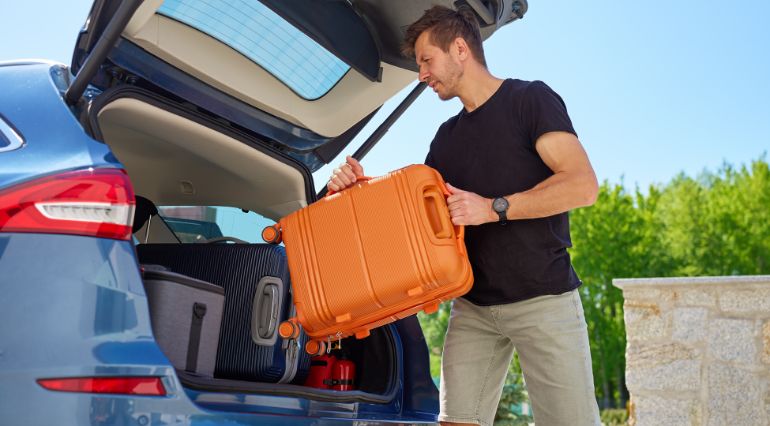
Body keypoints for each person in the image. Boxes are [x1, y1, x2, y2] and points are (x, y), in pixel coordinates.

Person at [328, 6, 601, 426]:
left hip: (543, 299)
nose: (421, 74)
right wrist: (356, 190)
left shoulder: (530, 100)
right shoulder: (446, 139)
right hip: (473, 308)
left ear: (459, 49)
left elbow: (581, 185)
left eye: (426, 60)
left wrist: (493, 209)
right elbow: (416, 217)